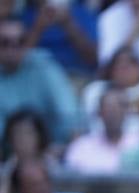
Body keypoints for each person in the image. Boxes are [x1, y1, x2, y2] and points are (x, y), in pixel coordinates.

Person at [0, 15, 80, 146]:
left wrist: (68, 145)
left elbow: (68, 112)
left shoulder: (44, 66)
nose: (13, 48)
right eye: (5, 43)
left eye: (20, 41)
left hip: (48, 150)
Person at [64, 87, 139, 173]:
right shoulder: (80, 147)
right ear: (99, 113)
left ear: (128, 111)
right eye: (109, 107)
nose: (115, 112)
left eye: (120, 107)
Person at [21, 0, 98, 78]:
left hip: (75, 75)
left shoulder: (82, 12)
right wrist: (38, 28)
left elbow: (93, 58)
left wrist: (68, 24)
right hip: (37, 77)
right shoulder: (26, 15)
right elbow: (19, 60)